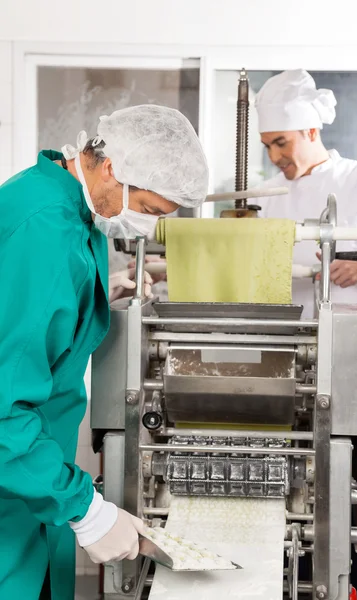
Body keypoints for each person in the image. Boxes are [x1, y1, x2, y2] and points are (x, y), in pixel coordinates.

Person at [0, 104, 208, 600]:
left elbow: (35, 318)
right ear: (113, 167)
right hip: (17, 478)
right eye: (151, 210)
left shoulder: (62, 200)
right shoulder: (47, 229)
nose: (145, 226)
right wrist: (86, 511)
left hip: (33, 477)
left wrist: (95, 295)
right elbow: (3, 408)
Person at [253, 70, 357, 600]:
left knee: (351, 477)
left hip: (344, 353)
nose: (275, 156)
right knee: (284, 478)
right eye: (266, 146)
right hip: (279, 351)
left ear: (308, 130)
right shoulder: (262, 197)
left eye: (280, 142)